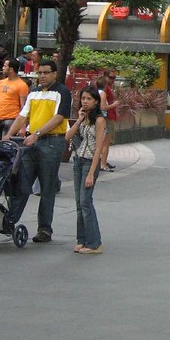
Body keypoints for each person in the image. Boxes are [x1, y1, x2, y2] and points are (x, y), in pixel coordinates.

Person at [5, 59, 72, 243]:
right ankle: (8, 221)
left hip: (51, 143)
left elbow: (59, 118)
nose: (42, 76)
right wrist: (8, 135)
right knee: (21, 182)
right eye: (39, 73)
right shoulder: (34, 92)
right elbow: (22, 115)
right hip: (30, 143)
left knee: (46, 187)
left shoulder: (62, 92)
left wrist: (37, 133)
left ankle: (44, 230)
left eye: (45, 73)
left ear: (54, 74)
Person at [63, 85, 105, 254]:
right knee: (79, 203)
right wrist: (79, 120)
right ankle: (82, 239)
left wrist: (91, 173)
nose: (85, 102)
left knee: (86, 202)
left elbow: (99, 149)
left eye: (89, 99)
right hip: (78, 161)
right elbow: (67, 137)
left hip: (89, 163)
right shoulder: (83, 118)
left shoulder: (99, 121)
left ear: (96, 102)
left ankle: (94, 243)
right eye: (83, 98)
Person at [96, 71, 119, 172]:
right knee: (106, 142)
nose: (113, 80)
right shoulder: (104, 90)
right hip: (107, 117)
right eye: (111, 77)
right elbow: (103, 107)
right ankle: (103, 163)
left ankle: (102, 161)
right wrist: (114, 105)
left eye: (114, 78)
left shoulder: (103, 89)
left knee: (103, 142)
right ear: (105, 77)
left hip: (106, 117)